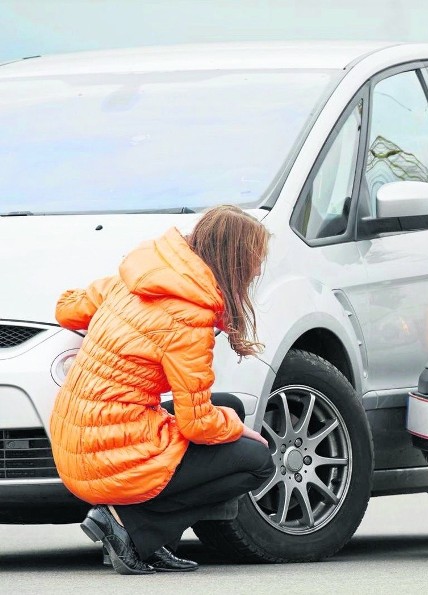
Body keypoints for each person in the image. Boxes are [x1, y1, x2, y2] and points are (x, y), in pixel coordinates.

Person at [49, 205, 276, 575]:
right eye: (255, 263)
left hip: (75, 435)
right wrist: (238, 427)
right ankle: (130, 527)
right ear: (237, 263)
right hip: (107, 454)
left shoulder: (141, 276)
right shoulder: (190, 318)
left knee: (228, 404)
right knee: (256, 460)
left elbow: (67, 309)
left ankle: (145, 538)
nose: (256, 272)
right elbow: (198, 424)